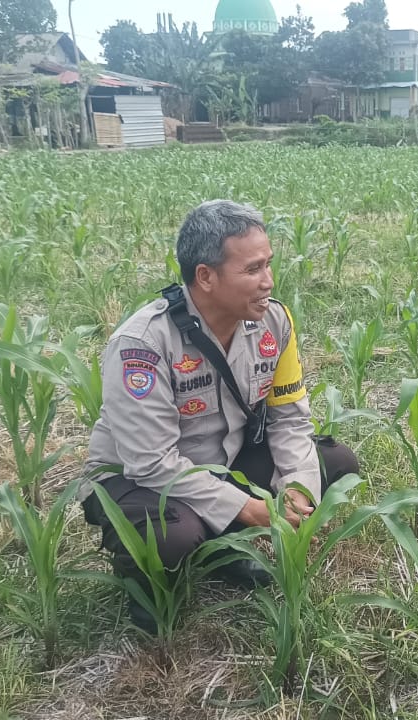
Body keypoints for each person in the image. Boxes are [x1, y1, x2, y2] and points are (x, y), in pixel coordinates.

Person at [78, 199, 359, 633]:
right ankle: (149, 590)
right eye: (252, 270)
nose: (268, 282)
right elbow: (151, 462)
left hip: (223, 460)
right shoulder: (143, 344)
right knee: (173, 536)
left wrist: (297, 491)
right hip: (137, 479)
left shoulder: (274, 323)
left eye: (269, 264)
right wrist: (246, 508)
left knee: (335, 463)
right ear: (205, 276)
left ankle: (224, 551)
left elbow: (288, 419)